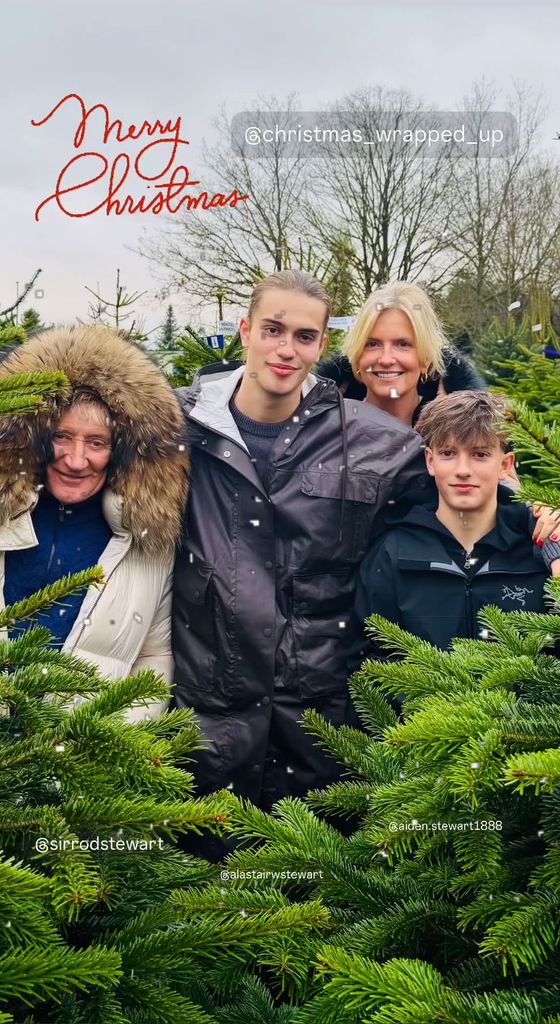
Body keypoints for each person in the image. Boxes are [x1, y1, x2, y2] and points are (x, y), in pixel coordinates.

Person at [170, 269, 431, 811]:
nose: (286, 349)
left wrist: (542, 528)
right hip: (205, 720)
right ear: (245, 331)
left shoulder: (378, 444)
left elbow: (465, 501)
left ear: (322, 346)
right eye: (272, 330)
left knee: (316, 885)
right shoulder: (175, 425)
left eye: (305, 337)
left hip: (318, 724)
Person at [0, 326, 189, 720]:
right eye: (62, 437)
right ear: (34, 438)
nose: (76, 461)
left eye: (96, 443)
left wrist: (112, 747)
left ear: (122, 451)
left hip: (89, 770)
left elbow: (154, 657)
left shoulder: (143, 541)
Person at [352, 391, 550, 659]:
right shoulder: (393, 554)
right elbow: (369, 659)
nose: (463, 470)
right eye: (448, 453)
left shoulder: (538, 551)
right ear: (430, 462)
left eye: (480, 454)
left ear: (505, 465)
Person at [316, 281, 484, 425]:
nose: (386, 359)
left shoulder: (464, 439)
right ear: (357, 357)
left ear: (425, 359)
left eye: (403, 344)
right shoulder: (320, 428)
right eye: (372, 344)